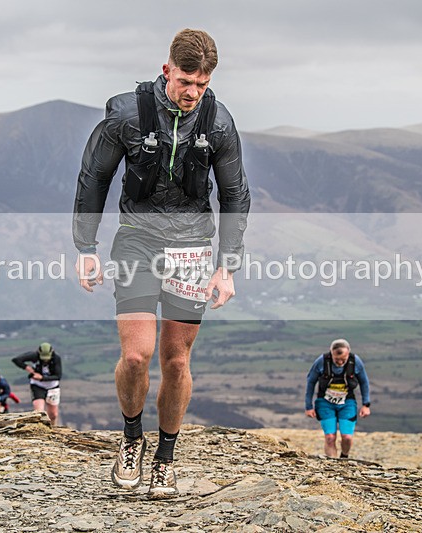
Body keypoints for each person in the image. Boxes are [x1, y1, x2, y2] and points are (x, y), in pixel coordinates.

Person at [73, 28, 250, 498]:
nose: (193, 92)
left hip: (193, 247)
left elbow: (235, 194)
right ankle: (131, 439)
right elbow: (95, 177)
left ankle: (165, 458)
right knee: (136, 355)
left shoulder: (218, 122)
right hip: (137, 241)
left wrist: (227, 266)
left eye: (203, 83)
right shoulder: (126, 113)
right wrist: (86, 248)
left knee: (176, 360)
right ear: (167, 68)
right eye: (186, 80)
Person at [305, 339, 371, 459]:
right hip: (325, 402)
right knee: (330, 437)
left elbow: (364, 382)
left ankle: (344, 457)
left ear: (348, 353)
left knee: (347, 437)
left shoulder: (355, 362)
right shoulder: (321, 361)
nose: (340, 362)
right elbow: (311, 382)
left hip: (347, 402)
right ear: (331, 353)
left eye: (343, 360)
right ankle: (333, 464)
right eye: (337, 359)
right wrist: (308, 406)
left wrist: (366, 404)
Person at [11, 343, 62, 426]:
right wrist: (27, 368)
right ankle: (40, 429)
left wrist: (41, 378)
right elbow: (16, 360)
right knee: (39, 412)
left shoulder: (56, 358)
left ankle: (53, 428)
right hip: (37, 386)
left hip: (52, 387)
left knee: (53, 414)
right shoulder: (34, 356)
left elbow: (58, 376)